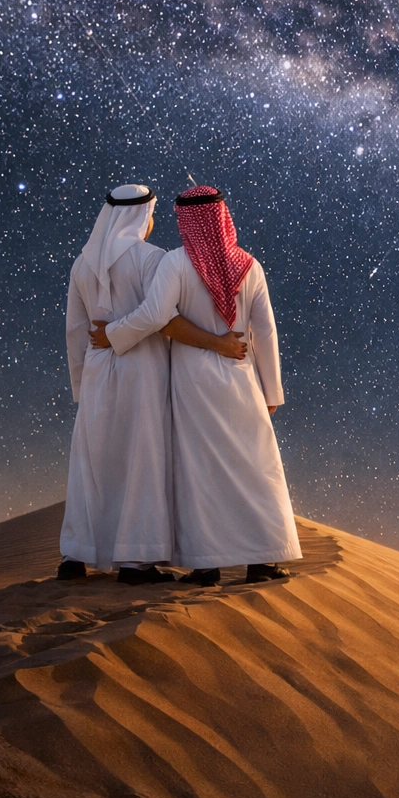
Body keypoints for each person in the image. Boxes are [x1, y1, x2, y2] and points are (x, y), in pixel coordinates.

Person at [95, 185, 301, 585]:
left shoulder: (175, 263)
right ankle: (263, 560)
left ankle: (206, 565)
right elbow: (266, 331)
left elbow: (155, 315)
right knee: (256, 464)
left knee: (199, 468)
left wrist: (114, 334)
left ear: (185, 221)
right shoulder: (250, 266)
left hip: (193, 379)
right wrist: (272, 391)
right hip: (243, 377)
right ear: (224, 217)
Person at [62, 184, 247, 586]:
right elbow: (164, 318)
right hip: (141, 367)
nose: (152, 222)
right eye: (151, 214)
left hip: (97, 369)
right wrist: (217, 344)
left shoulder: (81, 264)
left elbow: (76, 330)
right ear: (139, 215)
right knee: (141, 459)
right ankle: (136, 562)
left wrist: (81, 382)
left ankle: (76, 555)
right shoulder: (153, 259)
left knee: (92, 461)